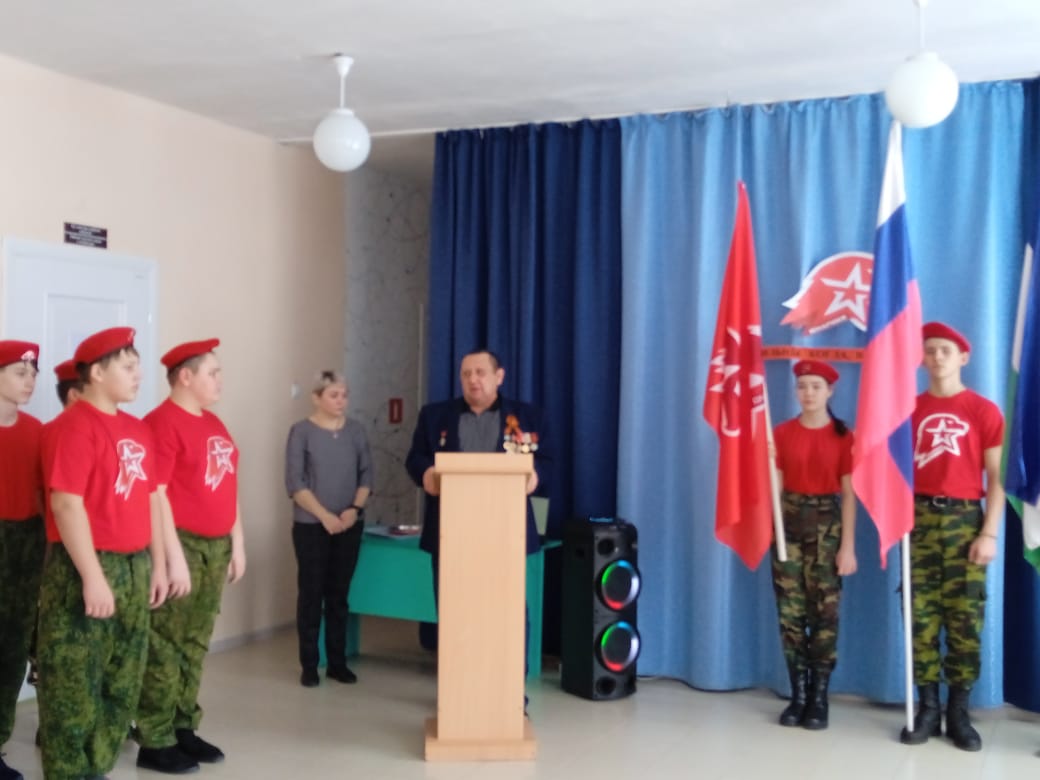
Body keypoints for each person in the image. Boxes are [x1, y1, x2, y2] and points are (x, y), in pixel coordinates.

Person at [37, 326, 169, 780]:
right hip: (86, 564)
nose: (138, 375)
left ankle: (97, 766)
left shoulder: (138, 429)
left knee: (122, 679)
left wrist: (157, 565)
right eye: (128, 367)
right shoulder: (74, 427)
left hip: (134, 564)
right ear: (96, 373)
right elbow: (66, 504)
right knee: (73, 682)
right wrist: (93, 577)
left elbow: (149, 500)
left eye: (138, 366)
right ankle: (69, 772)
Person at [135, 339, 247, 774]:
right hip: (182, 543)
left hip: (216, 546)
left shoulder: (214, 422)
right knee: (166, 643)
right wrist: (172, 557)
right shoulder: (161, 423)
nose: (220, 381)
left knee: (196, 642)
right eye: (212, 373)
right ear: (185, 376)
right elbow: (156, 495)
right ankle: (155, 737)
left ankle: (183, 725)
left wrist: (237, 542)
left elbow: (228, 486)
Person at [405, 349, 551, 674]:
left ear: (499, 377)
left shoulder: (527, 417)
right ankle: (458, 688)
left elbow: (547, 462)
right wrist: (427, 473)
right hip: (451, 533)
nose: (473, 380)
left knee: (508, 612)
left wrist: (535, 476)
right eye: (466, 374)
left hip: (505, 532)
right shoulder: (435, 416)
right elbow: (415, 458)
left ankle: (511, 689)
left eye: (480, 372)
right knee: (455, 610)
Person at [900, 322, 1004, 752]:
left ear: (963, 357)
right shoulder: (907, 410)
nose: (937, 357)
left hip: (964, 520)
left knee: (964, 620)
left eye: (945, 349)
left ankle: (958, 711)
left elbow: (997, 477)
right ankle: (927, 708)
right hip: (918, 519)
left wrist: (989, 532)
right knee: (919, 618)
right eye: (929, 350)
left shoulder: (983, 411)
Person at [770, 359, 856, 731]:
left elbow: (849, 496)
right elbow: (776, 489)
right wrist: (771, 531)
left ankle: (819, 697)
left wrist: (847, 546)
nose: (808, 393)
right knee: (791, 615)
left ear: (830, 391)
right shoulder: (781, 433)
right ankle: (798, 695)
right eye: (803, 386)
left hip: (827, 529)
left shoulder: (844, 436)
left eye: (816, 387)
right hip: (788, 528)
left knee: (824, 615)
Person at [285, 371, 372, 688]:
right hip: (311, 525)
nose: (341, 401)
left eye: (344, 395)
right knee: (312, 594)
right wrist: (324, 516)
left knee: (339, 595)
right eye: (334, 395)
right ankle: (309, 664)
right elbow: (296, 483)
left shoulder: (356, 431)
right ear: (317, 397)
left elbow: (366, 476)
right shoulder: (301, 432)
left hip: (349, 524)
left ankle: (338, 662)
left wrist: (353, 510)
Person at [0, 341, 43, 780]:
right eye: (19, 373)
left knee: (13, 649)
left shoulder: (37, 432)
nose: (29, 381)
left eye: (33, 374)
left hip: (27, 545)